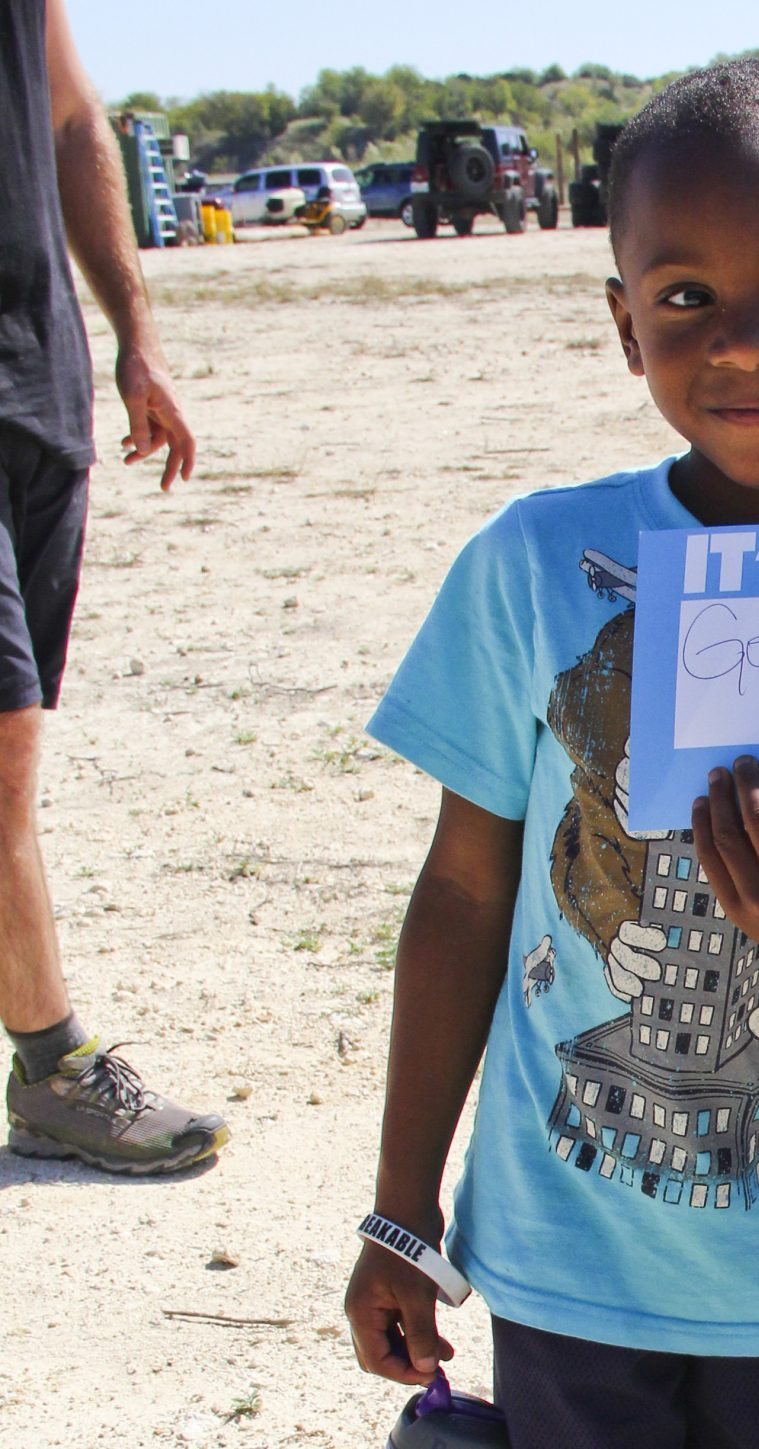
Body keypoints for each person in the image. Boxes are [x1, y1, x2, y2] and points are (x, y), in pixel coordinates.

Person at [342, 58, 759, 1449]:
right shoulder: (536, 565)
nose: (746, 340)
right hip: (564, 1262)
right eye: (686, 296)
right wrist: (403, 1207)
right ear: (626, 325)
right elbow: (464, 896)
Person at [3, 0, 218, 1175]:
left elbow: (75, 116)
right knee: (4, 748)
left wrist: (135, 333)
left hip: (36, 385)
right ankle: (52, 1065)